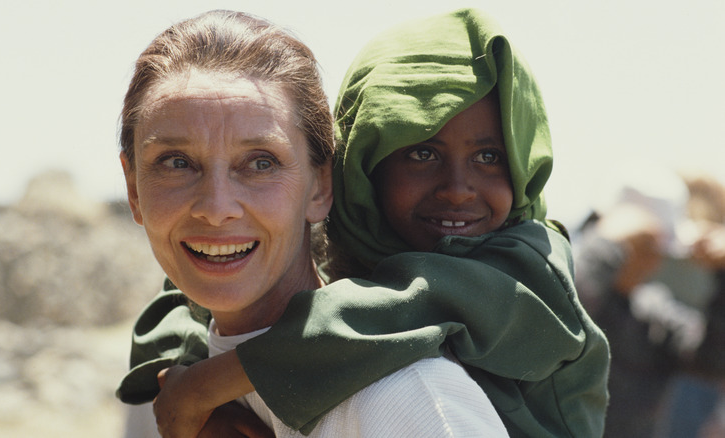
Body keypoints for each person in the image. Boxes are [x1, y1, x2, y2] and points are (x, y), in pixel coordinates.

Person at [118, 8, 610, 438]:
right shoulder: (356, 255)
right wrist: (175, 380)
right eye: (176, 163)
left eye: (261, 162)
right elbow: (180, 304)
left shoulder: (524, 274)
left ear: (322, 183)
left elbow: (398, 309)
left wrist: (208, 385)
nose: (216, 207)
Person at [573, 167, 725, 437]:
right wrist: (607, 242)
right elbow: (566, 309)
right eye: (642, 247)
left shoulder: (653, 312)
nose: (652, 263)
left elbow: (712, 361)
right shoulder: (562, 275)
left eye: (659, 251)